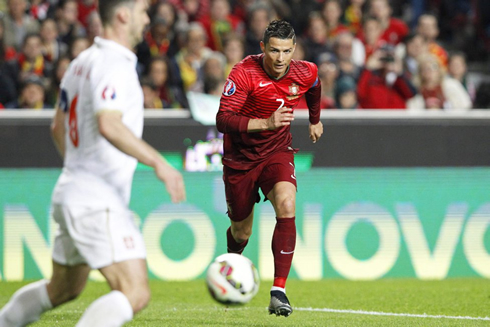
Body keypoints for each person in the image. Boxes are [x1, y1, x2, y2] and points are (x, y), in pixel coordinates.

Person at [0, 1, 186, 326]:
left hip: (72, 188)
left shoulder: (81, 61)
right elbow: (109, 124)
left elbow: (57, 127)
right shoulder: (114, 64)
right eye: (143, 12)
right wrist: (160, 164)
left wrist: (78, 171)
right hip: (95, 198)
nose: (147, 20)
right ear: (123, 14)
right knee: (135, 292)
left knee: (63, 289)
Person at [216, 19, 323, 317]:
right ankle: (230, 268)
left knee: (287, 203)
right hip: (241, 159)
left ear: (294, 50)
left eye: (286, 51)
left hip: (277, 151)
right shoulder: (244, 72)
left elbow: (314, 86)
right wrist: (265, 123)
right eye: (274, 50)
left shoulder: (305, 71)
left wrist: (314, 119)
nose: (279, 58)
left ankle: (279, 291)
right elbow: (223, 119)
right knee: (241, 231)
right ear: (263, 47)